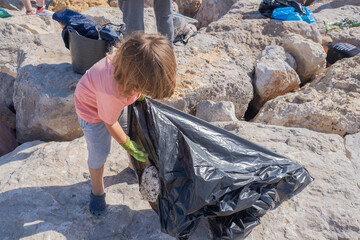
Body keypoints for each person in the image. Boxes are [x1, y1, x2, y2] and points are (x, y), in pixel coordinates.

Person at [74, 32, 177, 216]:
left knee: (131, 131)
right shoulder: (111, 91)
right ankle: (97, 191)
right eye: (144, 87)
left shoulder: (133, 59)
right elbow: (109, 122)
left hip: (116, 103)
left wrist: (139, 94)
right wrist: (129, 146)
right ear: (135, 80)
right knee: (100, 152)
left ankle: (133, 167)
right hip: (91, 111)